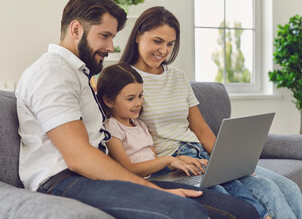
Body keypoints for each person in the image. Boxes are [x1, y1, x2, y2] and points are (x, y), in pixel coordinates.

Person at [15, 0, 260, 219]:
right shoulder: (51, 72)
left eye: (112, 37)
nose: (111, 47)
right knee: (186, 211)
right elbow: (78, 157)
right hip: (64, 182)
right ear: (76, 29)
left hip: (95, 177)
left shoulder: (78, 74)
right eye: (105, 36)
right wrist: (150, 189)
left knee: (242, 210)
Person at [119, 6, 302, 219]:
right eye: (157, 41)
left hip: (204, 155)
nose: (163, 50)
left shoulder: (178, 77)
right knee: (266, 192)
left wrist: (229, 162)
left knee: (288, 188)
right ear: (137, 36)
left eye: (170, 44)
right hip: (175, 162)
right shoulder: (125, 80)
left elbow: (200, 128)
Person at [97, 63, 270, 219]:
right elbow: (128, 170)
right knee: (214, 191)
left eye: (140, 96)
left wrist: (178, 162)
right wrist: (170, 160)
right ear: (108, 100)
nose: (138, 103)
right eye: (130, 98)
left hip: (163, 172)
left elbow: (153, 156)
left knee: (226, 183)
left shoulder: (140, 124)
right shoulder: (112, 128)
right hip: (146, 181)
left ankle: (262, 215)